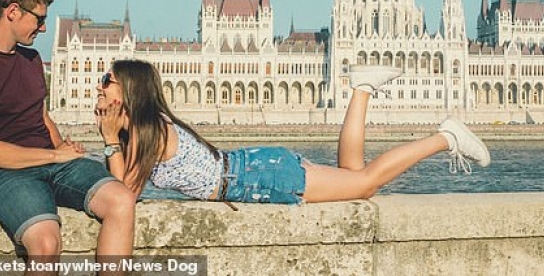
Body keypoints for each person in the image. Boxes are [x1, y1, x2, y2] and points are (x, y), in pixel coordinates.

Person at [95, 59, 490, 204]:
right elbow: (125, 183)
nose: (99, 87)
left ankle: (446, 137)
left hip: (259, 175)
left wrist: (110, 138)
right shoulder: (144, 132)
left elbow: (124, 194)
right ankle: (363, 90)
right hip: (253, 170)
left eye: (106, 80)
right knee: (354, 174)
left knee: (366, 183)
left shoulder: (154, 132)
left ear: (128, 91)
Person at [0, 0, 135, 271]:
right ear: (12, 12)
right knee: (46, 243)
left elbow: (41, 115)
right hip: (0, 174)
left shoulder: (31, 60)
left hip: (53, 164)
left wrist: (62, 145)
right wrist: (54, 154)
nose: (44, 27)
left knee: (122, 200)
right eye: (38, 19)